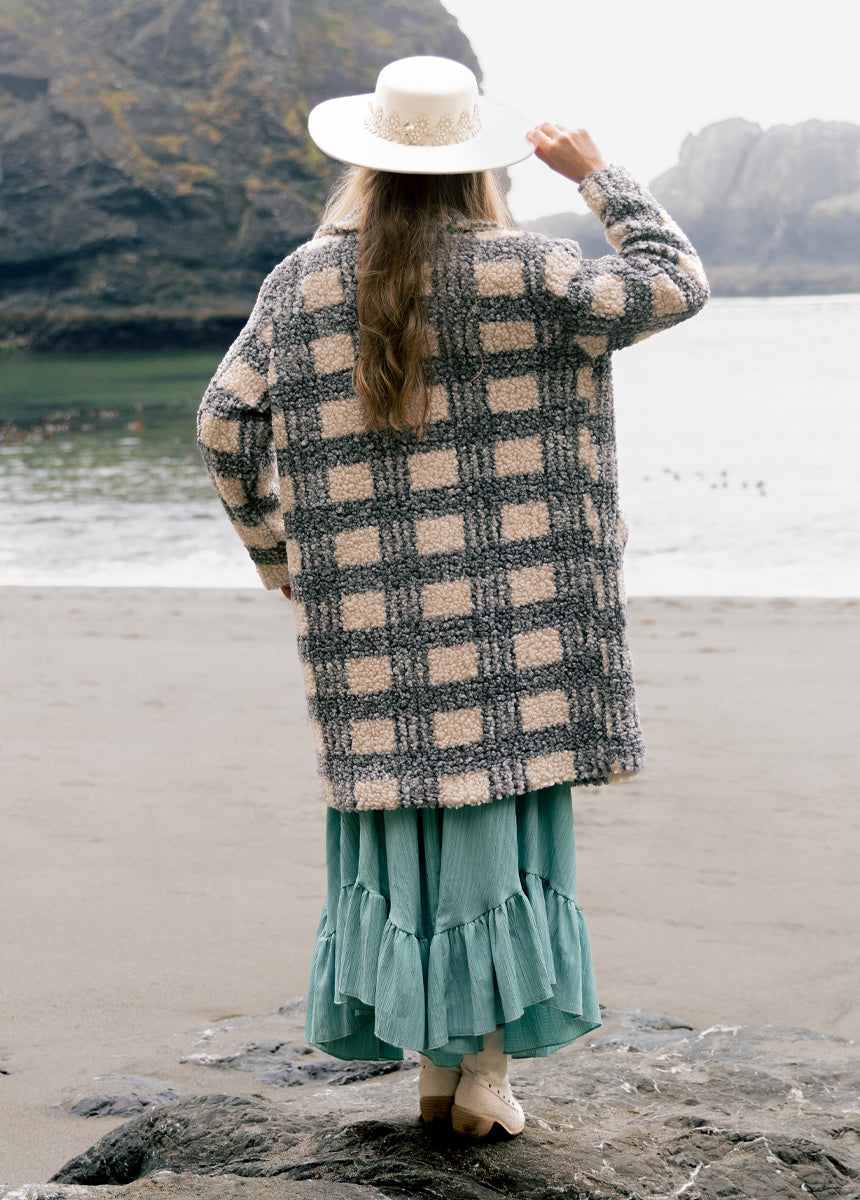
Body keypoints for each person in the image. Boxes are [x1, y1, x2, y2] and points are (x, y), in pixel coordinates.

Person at [197, 55, 708, 1139]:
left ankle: (439, 1072)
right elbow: (673, 284)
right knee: (498, 813)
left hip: (373, 629)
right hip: (520, 616)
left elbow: (222, 424)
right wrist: (598, 175)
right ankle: (481, 1079)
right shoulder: (532, 269)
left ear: (366, 165)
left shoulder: (299, 281)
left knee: (402, 821)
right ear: (480, 165)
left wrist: (276, 554)